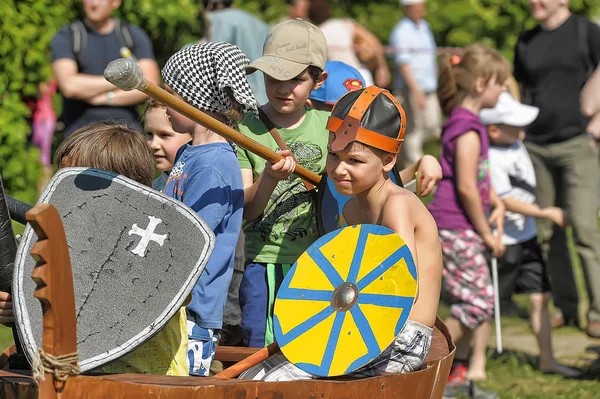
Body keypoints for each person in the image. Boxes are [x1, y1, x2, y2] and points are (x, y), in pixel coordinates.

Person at [239, 86, 442, 381]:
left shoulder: (396, 204)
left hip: (402, 339)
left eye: (355, 161)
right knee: (256, 376)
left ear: (387, 161)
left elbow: (400, 288)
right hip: (364, 330)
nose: (340, 169)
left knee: (277, 383)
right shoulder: (352, 210)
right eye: (334, 156)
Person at [0, 121, 189, 376]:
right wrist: (21, 310)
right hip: (79, 378)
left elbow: (172, 292)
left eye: (75, 183)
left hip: (148, 382)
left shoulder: (153, 244)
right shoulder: (57, 240)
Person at [160, 41, 250, 376]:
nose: (163, 105)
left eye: (170, 95)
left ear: (194, 98)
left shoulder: (213, 164)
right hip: (175, 302)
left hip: (193, 308)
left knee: (185, 385)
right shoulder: (188, 152)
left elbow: (188, 236)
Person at [514, 0, 600, 337]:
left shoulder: (586, 31)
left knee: (583, 227)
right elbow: (520, 89)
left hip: (579, 144)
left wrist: (596, 124)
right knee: (549, 233)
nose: (535, 2)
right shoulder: (527, 40)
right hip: (535, 146)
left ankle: (597, 311)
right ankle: (567, 308)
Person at [427, 44, 509, 398]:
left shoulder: (462, 122)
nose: (503, 89)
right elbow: (465, 185)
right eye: (499, 83)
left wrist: (498, 203)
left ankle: (434, 364)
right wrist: (486, 232)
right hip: (457, 226)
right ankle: (426, 360)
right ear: (479, 84)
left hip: (457, 224)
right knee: (478, 304)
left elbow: (476, 183)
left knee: (472, 302)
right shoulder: (468, 128)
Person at [481, 92, 580, 378]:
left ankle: (548, 359)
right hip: (503, 241)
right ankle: (470, 361)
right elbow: (505, 199)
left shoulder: (516, 143)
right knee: (487, 305)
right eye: (516, 125)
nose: (523, 130)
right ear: (494, 130)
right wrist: (546, 213)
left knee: (540, 297)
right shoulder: (490, 156)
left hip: (527, 237)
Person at [51, 0, 159, 139]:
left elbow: (150, 84)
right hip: (80, 135)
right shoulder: (68, 36)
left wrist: (106, 98)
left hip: (128, 135)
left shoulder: (132, 35)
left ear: (115, 2)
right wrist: (126, 78)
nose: (93, 4)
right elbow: (69, 86)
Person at [388, 0, 441, 168]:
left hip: (429, 86)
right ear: (408, 8)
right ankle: (415, 169)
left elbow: (431, 57)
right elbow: (403, 64)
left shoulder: (425, 26)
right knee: (413, 129)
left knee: (433, 125)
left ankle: (400, 158)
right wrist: (415, 91)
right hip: (411, 88)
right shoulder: (401, 31)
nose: (421, 9)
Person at [308, 0, 391, 88]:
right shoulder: (345, 23)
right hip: (361, 74)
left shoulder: (317, 34)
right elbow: (373, 42)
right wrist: (382, 68)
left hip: (338, 80)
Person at [201, 0, 269, 105]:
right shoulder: (256, 22)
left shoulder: (219, 19)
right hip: (267, 96)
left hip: (238, 100)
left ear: (211, 4)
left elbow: (211, 58)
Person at [143, 98, 192, 191]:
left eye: (164, 135)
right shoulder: (152, 188)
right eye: (149, 134)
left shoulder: (200, 185)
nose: (153, 145)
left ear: (192, 135)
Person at [32, 80, 58, 194]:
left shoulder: (47, 77)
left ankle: (44, 194)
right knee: (40, 159)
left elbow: (43, 90)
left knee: (43, 160)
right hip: (39, 119)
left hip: (45, 120)